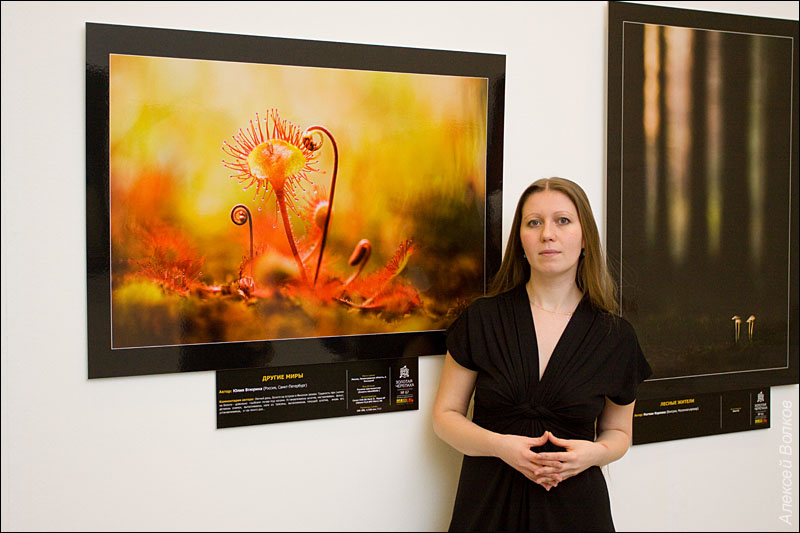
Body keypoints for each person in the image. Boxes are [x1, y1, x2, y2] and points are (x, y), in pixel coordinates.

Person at [432, 177, 652, 532]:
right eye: (534, 222)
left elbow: (618, 432)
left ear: (585, 237)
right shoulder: (482, 319)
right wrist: (500, 446)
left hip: (577, 510)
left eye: (562, 220)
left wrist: (591, 455)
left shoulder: (616, 336)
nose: (547, 234)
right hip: (487, 506)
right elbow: (445, 417)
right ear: (520, 239)